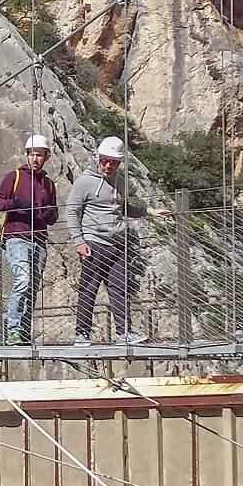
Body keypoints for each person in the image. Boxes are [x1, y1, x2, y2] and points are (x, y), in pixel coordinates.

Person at [62, 136, 163, 345]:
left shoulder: (121, 183)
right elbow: (72, 212)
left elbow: (123, 208)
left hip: (117, 244)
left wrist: (149, 211)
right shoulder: (85, 182)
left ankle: (124, 332)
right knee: (88, 288)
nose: (108, 165)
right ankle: (82, 334)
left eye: (113, 161)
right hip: (93, 242)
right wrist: (79, 241)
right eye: (105, 160)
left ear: (119, 162)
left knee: (119, 288)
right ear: (98, 158)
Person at [0, 133, 60, 344]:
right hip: (16, 236)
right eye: (31, 154)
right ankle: (12, 329)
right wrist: (16, 204)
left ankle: (23, 331)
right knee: (23, 280)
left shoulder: (48, 184)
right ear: (27, 155)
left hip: (38, 239)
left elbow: (54, 215)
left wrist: (49, 214)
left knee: (32, 286)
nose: (35, 159)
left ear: (46, 157)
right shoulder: (15, 177)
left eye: (39, 155)